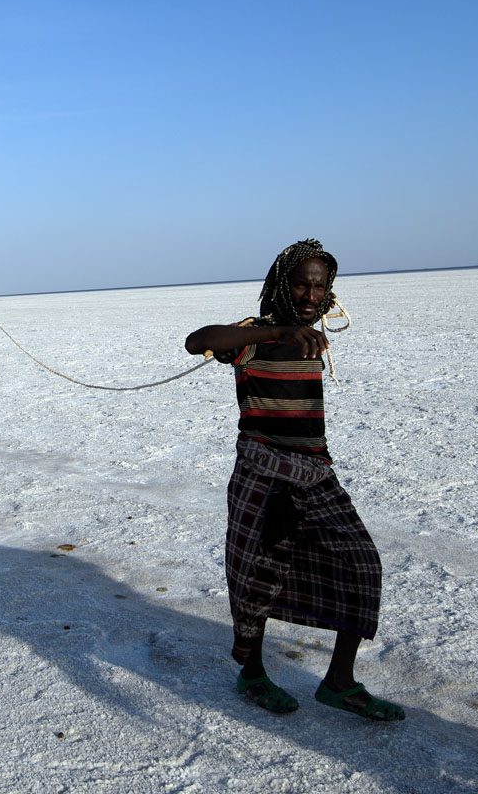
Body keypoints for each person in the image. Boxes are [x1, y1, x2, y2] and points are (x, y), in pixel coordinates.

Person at [185, 238, 404, 721]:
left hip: (313, 471)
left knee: (361, 563)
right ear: (283, 285)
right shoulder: (257, 334)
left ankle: (339, 682)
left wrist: (292, 333)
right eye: (301, 284)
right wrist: (273, 334)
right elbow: (197, 340)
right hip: (264, 471)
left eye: (319, 286)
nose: (310, 294)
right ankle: (254, 675)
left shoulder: (309, 334)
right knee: (259, 576)